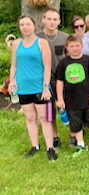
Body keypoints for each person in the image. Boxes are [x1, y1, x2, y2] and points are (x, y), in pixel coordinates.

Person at [9, 15, 57, 161]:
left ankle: (50, 148)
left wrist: (45, 87)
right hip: (23, 87)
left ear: (34, 25)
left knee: (45, 118)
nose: (25, 27)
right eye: (22, 24)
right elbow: (14, 65)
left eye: (28, 24)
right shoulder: (16, 44)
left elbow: (47, 66)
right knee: (30, 117)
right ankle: (34, 146)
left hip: (39, 87)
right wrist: (12, 81)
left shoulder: (42, 43)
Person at [56, 35, 89, 157]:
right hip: (71, 101)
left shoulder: (88, 60)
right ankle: (81, 145)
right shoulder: (63, 63)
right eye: (72, 46)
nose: (75, 48)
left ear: (82, 46)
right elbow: (60, 82)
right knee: (76, 124)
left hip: (88, 99)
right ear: (67, 48)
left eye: (77, 46)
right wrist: (60, 98)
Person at [37, 8, 69, 150]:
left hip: (64, 79)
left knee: (67, 108)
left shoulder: (65, 37)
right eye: (49, 19)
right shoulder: (37, 38)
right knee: (50, 110)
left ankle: (74, 134)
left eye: (55, 19)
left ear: (59, 22)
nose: (52, 22)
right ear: (43, 19)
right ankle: (55, 137)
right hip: (45, 81)